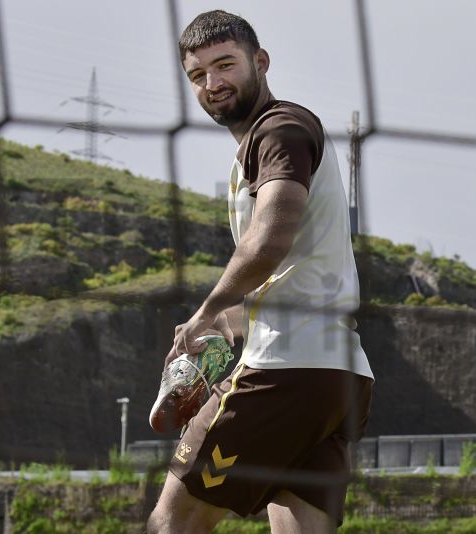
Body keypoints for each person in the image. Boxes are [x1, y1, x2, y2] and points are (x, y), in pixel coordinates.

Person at [147, 10, 374, 534]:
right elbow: (287, 272)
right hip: (338, 380)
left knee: (170, 523)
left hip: (286, 370)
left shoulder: (281, 129)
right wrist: (225, 326)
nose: (213, 83)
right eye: (198, 75)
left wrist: (203, 313)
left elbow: (272, 238)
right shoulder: (260, 145)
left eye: (225, 64)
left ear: (260, 61)